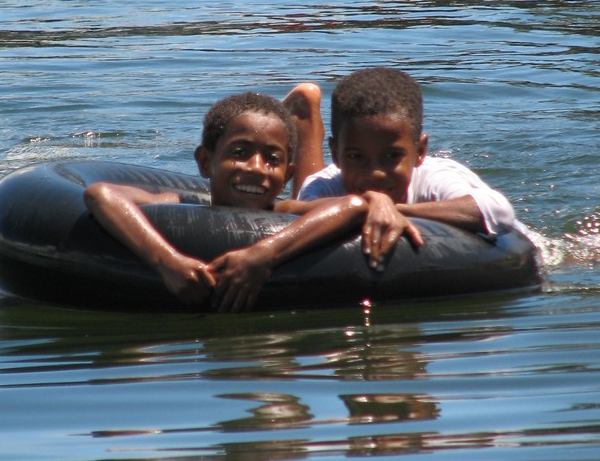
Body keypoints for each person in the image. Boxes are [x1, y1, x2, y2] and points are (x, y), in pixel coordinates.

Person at [83, 91, 401, 312]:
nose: (255, 168)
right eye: (239, 152)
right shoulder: (177, 201)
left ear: (287, 173)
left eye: (272, 159)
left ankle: (305, 118)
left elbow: (354, 207)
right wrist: (166, 261)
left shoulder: (283, 210)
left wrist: (263, 255)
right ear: (205, 162)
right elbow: (101, 194)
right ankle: (304, 114)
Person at [284, 68, 518, 270]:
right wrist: (371, 206)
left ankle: (304, 119)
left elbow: (501, 212)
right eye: (356, 156)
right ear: (335, 154)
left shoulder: (434, 180)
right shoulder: (322, 184)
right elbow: (298, 215)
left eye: (392, 156)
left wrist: (393, 209)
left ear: (420, 151)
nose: (375, 173)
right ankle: (304, 120)